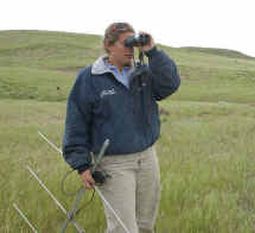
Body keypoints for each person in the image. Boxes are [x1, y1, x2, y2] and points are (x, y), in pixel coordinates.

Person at [62, 22, 180, 233]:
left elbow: (170, 84)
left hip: (147, 157)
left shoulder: (142, 73)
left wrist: (153, 51)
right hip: (114, 163)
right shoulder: (90, 78)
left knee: (145, 226)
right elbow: (76, 121)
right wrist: (81, 164)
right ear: (109, 45)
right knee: (123, 228)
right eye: (126, 43)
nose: (131, 49)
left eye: (133, 43)